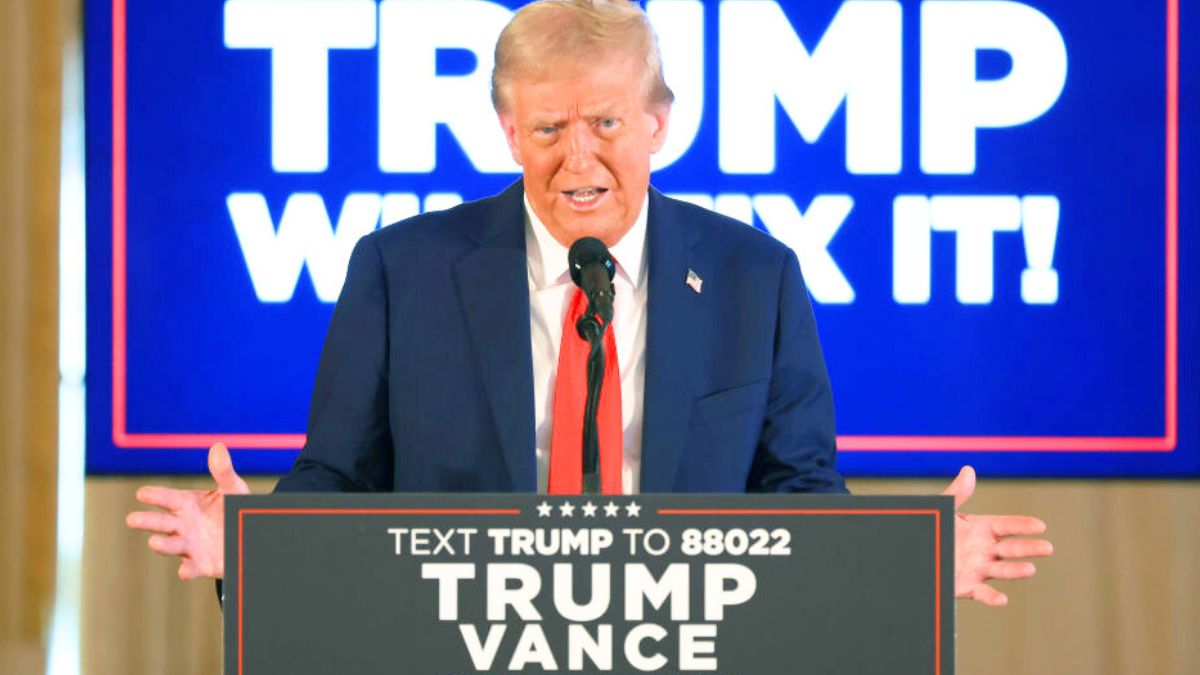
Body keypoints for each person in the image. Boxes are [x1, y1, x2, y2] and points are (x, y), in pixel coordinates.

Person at [127, 0, 1051, 607]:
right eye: (547, 127)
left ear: (660, 122)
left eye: (606, 122)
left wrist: (907, 569)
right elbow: (339, 485)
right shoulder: (398, 271)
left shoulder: (754, 277)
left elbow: (798, 503)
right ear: (505, 129)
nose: (578, 158)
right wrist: (252, 551)